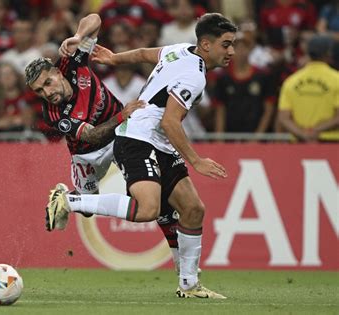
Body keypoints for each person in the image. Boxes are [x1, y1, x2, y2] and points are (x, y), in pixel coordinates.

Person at [49, 12, 236, 298]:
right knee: (147, 209)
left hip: (157, 142)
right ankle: (69, 201)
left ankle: (189, 285)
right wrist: (196, 161)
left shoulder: (181, 50)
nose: (231, 51)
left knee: (193, 210)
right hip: (137, 139)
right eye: (226, 44)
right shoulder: (194, 77)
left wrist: (114, 58)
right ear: (207, 45)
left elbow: (147, 53)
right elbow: (170, 122)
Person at [25, 14, 184, 274]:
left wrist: (77, 35)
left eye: (48, 83)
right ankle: (67, 198)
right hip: (87, 156)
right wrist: (122, 114)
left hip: (122, 137)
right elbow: (91, 137)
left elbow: (95, 19)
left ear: (56, 71)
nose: (47, 93)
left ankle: (181, 267)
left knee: (156, 201)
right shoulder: (53, 114)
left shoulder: (72, 62)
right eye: (39, 91)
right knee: (88, 206)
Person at [278, 34, 339, 142]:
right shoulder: (336, 79)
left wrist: (303, 134)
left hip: (299, 144)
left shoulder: (291, 81)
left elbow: (284, 118)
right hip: (331, 144)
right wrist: (316, 130)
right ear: (329, 53)